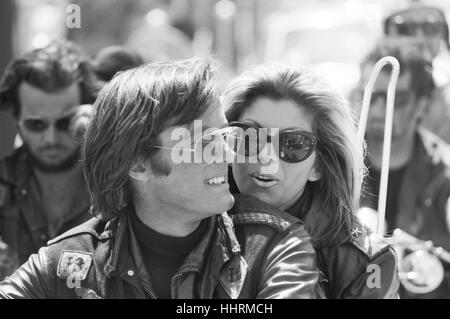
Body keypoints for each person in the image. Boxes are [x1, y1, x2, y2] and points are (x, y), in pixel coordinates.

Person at [0, 58, 323, 299]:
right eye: (204, 141)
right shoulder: (67, 262)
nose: (227, 154)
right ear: (138, 164)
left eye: (226, 135)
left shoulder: (273, 243)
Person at [223, 63, 399, 299]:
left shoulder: (366, 263)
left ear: (318, 166)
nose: (266, 157)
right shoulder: (195, 224)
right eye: (250, 136)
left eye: (293, 143)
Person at [356, 39, 450, 298]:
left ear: (422, 104)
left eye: (395, 99)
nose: (378, 109)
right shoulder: (333, 166)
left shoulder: (444, 172)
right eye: (371, 96)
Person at [0, 40, 100, 279]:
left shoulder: (114, 186)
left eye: (65, 122)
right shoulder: (3, 183)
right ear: (16, 117)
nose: (51, 138)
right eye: (36, 124)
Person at [383, 2, 450, 143]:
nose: (420, 38)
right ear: (386, 34)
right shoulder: (366, 93)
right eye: (405, 28)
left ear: (443, 34)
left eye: (430, 27)